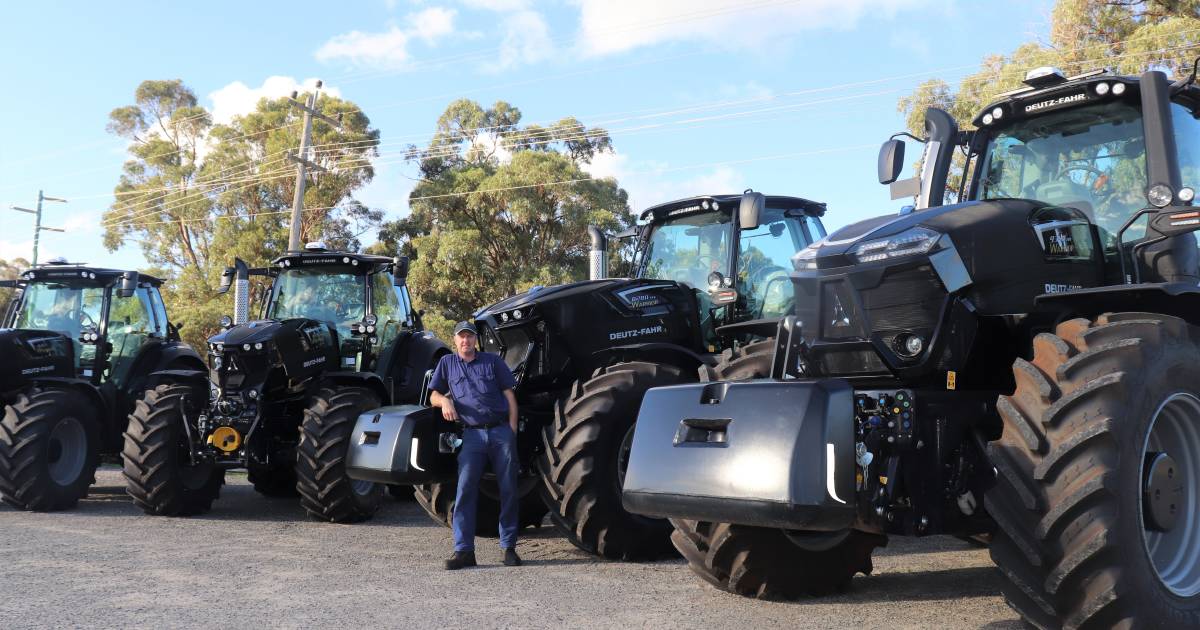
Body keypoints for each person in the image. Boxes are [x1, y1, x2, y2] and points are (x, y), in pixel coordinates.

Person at [428, 320, 521, 570]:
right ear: (455, 340)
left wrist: (511, 430)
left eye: (469, 337)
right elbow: (433, 394)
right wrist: (445, 403)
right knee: (465, 489)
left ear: (475, 340)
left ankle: (509, 548)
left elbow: (510, 395)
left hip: (500, 431)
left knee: (509, 488)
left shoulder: (493, 362)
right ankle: (464, 551)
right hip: (472, 436)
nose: (465, 341)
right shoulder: (447, 364)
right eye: (461, 337)